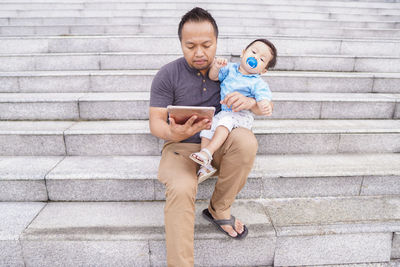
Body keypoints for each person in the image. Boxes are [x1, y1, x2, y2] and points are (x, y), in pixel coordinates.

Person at [149, 7, 274, 267]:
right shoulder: (167, 75)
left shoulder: (231, 71)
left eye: (206, 45)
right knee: (182, 188)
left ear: (216, 42)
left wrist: (249, 102)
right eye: (190, 45)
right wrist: (175, 132)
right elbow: (156, 124)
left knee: (246, 141)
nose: (199, 53)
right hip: (179, 148)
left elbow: (262, 104)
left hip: (217, 143)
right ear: (181, 44)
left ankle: (218, 208)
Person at [190, 39, 277, 183]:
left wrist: (264, 104)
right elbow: (213, 76)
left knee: (225, 121)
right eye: (253, 52)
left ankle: (209, 151)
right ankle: (205, 164)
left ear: (263, 70)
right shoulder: (230, 69)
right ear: (243, 53)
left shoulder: (257, 82)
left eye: (261, 59)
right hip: (225, 112)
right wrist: (217, 67)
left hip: (241, 115)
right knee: (208, 126)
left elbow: (263, 99)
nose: (255, 57)